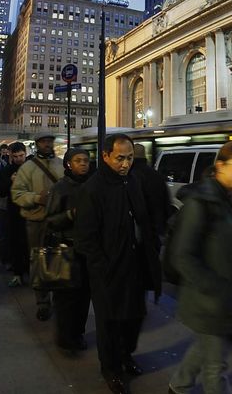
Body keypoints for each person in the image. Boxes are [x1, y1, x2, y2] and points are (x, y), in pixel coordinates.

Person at [168, 141, 232, 394]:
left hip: (231, 300)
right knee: (216, 367)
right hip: (209, 302)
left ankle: (178, 385)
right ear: (220, 166)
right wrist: (216, 289)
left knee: (207, 350)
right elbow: (182, 256)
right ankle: (179, 385)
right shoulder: (201, 202)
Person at [75, 133, 161, 394]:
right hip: (109, 271)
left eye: (130, 158)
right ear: (105, 157)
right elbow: (86, 238)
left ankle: (126, 356)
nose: (125, 164)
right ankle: (110, 368)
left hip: (136, 264)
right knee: (110, 323)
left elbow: (143, 218)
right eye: (120, 158)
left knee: (134, 316)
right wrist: (103, 267)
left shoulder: (133, 181)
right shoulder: (92, 189)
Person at [11, 133, 64, 321]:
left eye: (50, 141)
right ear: (37, 144)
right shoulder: (28, 168)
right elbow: (16, 194)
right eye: (44, 141)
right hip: (36, 221)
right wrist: (36, 199)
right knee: (38, 261)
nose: (47, 144)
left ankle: (58, 297)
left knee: (60, 260)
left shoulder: (61, 165)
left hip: (59, 221)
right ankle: (42, 302)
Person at [45, 148, 92, 352]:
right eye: (78, 160)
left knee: (83, 297)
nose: (83, 164)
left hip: (87, 249)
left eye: (86, 161)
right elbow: (50, 221)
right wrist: (70, 215)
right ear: (68, 164)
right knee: (66, 298)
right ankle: (65, 337)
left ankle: (77, 333)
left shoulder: (92, 186)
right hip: (66, 249)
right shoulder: (60, 188)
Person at [0, 142, 29, 287]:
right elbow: (0, 191)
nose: (19, 159)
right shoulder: (7, 170)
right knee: (16, 242)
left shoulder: (32, 168)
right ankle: (18, 273)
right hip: (14, 211)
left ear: (25, 153)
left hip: (30, 210)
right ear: (10, 155)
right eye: (15, 156)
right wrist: (10, 181)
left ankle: (29, 271)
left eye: (21, 156)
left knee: (29, 242)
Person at [130, 143, 171, 239]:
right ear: (144, 155)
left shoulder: (130, 176)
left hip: (139, 230)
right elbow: (166, 201)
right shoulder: (157, 175)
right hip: (157, 227)